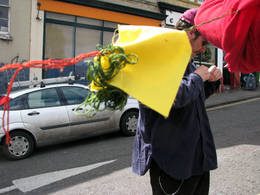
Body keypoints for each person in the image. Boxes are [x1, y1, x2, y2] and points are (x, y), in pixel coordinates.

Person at [132, 8, 222, 195]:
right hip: (172, 165)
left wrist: (210, 83)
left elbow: (190, 103)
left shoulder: (186, 62)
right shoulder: (158, 59)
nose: (204, 48)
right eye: (203, 42)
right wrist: (197, 78)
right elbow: (172, 97)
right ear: (191, 34)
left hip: (196, 162)